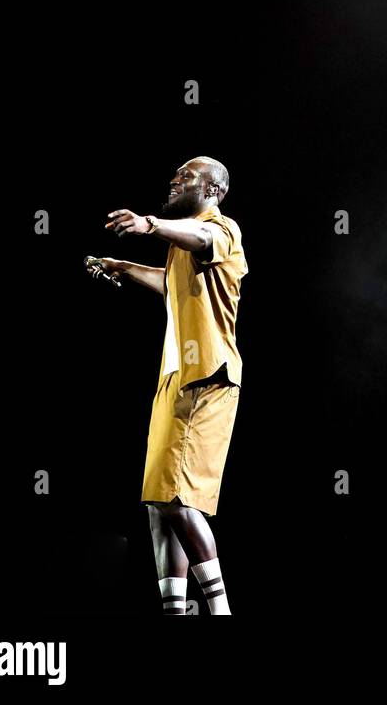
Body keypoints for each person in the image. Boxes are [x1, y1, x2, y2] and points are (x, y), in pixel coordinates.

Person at [88, 155, 247, 615]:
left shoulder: (223, 229)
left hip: (208, 378)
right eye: (176, 174)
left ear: (213, 190)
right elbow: (171, 284)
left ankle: (220, 611)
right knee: (158, 503)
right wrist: (124, 267)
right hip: (175, 380)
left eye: (187, 176)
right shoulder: (181, 248)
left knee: (177, 499)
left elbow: (202, 236)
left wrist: (150, 224)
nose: (175, 180)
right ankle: (175, 611)